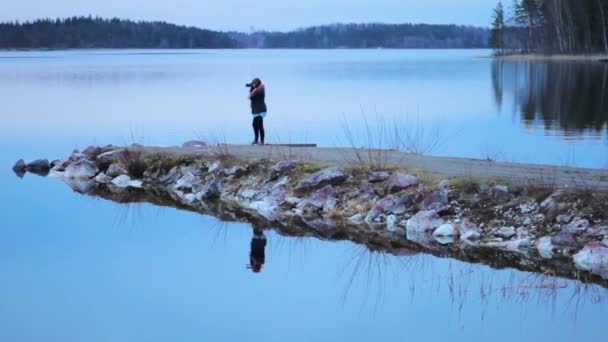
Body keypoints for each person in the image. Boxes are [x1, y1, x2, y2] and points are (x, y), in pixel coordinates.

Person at [248, 78, 267, 145]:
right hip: (257, 109)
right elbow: (251, 95)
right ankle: (258, 140)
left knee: (258, 125)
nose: (252, 85)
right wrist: (251, 87)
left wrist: (253, 89)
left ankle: (260, 140)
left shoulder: (260, 90)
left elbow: (250, 97)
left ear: (256, 84)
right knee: (256, 125)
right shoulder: (258, 89)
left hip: (260, 110)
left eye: (253, 83)